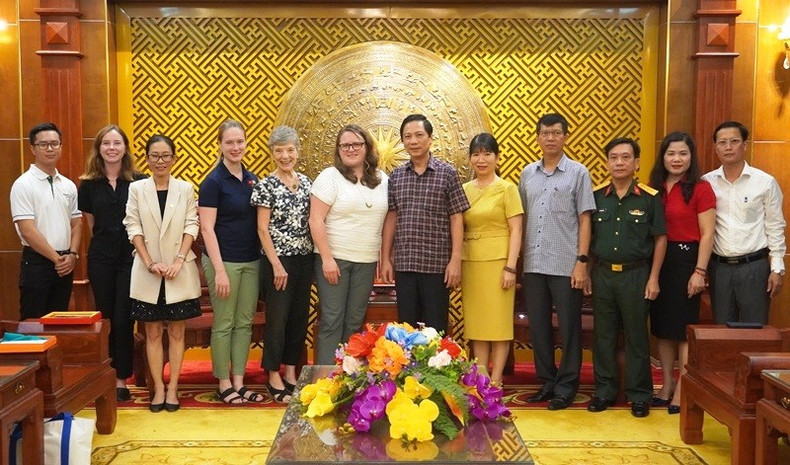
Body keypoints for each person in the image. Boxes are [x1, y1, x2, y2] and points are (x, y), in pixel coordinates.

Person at [518, 114, 595, 410]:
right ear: (537, 137)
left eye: (556, 132)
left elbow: (584, 218)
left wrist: (581, 261)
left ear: (565, 137)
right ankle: (547, 382)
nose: (550, 138)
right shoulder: (528, 174)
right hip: (534, 263)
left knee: (569, 327)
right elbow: (522, 218)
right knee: (538, 327)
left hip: (566, 264)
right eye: (545, 133)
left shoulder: (578, 173)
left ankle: (566, 386)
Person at [587, 137, 666, 418]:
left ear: (636, 162)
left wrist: (654, 277)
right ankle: (605, 391)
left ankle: (640, 394)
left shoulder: (649, 197)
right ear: (607, 162)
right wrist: (585, 271)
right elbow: (588, 237)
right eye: (613, 157)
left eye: (625, 157)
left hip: (636, 275)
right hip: (603, 275)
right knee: (604, 336)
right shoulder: (596, 197)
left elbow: (660, 239)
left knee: (636, 337)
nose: (619, 163)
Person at [124, 134, 202, 412]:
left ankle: (173, 389)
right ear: (146, 159)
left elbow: (192, 225)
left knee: (178, 334)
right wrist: (148, 262)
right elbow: (133, 227)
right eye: (154, 156)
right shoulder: (137, 189)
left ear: (174, 158)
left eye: (165, 155)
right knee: (153, 333)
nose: (160, 161)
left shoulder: (185, 188)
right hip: (148, 272)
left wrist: (179, 260)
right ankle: (157, 388)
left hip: (178, 271)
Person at [381, 114, 470, 334]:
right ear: (403, 142)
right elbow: (392, 217)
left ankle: (435, 369)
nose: (413, 141)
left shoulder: (447, 173)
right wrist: (385, 258)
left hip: (437, 266)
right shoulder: (397, 176)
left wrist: (455, 260)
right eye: (408, 136)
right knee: (406, 330)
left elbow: (457, 217)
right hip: (405, 264)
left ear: (430, 138)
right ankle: (410, 370)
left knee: (435, 330)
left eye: (419, 135)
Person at [647, 131, 716, 415]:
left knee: (683, 331)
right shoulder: (653, 188)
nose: (676, 159)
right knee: (663, 329)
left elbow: (708, 232)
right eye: (671, 153)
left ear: (691, 157)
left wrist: (699, 271)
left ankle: (683, 389)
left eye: (683, 154)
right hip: (658, 261)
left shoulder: (701, 188)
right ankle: (665, 385)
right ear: (662, 157)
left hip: (688, 261)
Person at [309, 125, 389, 365]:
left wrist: (385, 259)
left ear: (367, 147)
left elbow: (389, 220)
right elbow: (315, 220)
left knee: (354, 321)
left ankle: (347, 377)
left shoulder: (382, 179)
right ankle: (324, 380)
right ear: (338, 150)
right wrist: (327, 259)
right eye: (345, 145)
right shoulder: (329, 177)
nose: (351, 149)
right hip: (334, 260)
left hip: (366, 261)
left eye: (356, 144)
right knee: (332, 319)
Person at [78, 124, 146, 401]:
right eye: (106, 143)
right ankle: (103, 375)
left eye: (117, 143)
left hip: (130, 259)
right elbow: (90, 224)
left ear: (125, 148)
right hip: (102, 259)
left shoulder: (139, 181)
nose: (112, 148)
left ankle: (121, 378)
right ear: (99, 149)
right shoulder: (88, 184)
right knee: (105, 317)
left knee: (124, 318)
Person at [199, 120, 262, 405]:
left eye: (240, 142)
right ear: (220, 145)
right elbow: (206, 229)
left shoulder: (252, 179)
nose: (235, 147)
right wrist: (220, 270)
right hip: (223, 262)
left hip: (251, 260)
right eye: (229, 142)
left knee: (244, 324)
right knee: (224, 323)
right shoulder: (212, 182)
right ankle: (223, 383)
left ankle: (239, 381)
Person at [251, 126, 313, 402]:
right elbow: (262, 229)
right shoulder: (265, 186)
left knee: (299, 317)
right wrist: (277, 265)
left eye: (290, 150)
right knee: (278, 319)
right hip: (278, 261)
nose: (285, 156)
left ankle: (290, 372)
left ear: (298, 152)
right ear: (272, 154)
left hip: (305, 259)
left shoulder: (308, 183)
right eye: (279, 151)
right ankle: (273, 374)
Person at [701, 121, 786, 324]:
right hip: (719, 268)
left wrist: (777, 268)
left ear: (745, 145)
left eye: (734, 141)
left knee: (754, 330)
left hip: (754, 267)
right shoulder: (706, 182)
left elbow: (775, 226)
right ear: (715, 148)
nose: (728, 147)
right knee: (721, 330)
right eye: (722, 142)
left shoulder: (765, 182)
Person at [461, 133, 523, 385]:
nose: (481, 159)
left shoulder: (508, 189)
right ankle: (481, 377)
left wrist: (511, 266)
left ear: (497, 158)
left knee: (497, 326)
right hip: (471, 262)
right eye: (476, 154)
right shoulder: (464, 189)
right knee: (477, 325)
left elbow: (516, 230)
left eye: (487, 153)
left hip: (499, 262)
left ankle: (495, 381)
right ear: (470, 159)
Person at [11, 122, 82, 320]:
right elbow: (27, 230)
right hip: (37, 262)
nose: (50, 149)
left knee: (58, 323)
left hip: (65, 263)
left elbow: (77, 224)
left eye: (54, 143)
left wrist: (73, 255)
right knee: (33, 323)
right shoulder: (23, 184)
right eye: (43, 144)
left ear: (61, 146)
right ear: (33, 148)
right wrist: (55, 258)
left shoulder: (68, 185)